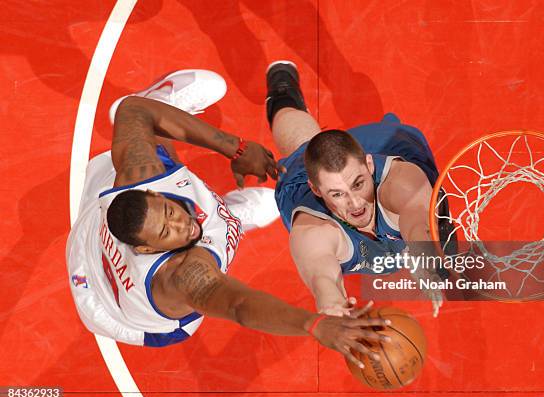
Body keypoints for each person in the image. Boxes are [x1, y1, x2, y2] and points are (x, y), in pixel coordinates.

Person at [67, 69, 390, 368]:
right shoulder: (183, 275)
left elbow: (132, 110)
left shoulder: (140, 179)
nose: (181, 223)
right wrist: (314, 324)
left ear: (154, 195)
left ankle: (165, 108)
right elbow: (238, 305)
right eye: (167, 232)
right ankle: (230, 217)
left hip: (96, 227)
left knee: (147, 150)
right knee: (205, 246)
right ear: (150, 250)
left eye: (170, 212)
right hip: (118, 311)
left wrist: (236, 148)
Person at [266, 61, 452, 318]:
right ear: (317, 191)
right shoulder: (313, 231)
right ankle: (283, 94)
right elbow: (323, 279)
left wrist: (424, 257)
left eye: (358, 185)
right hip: (315, 176)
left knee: (432, 223)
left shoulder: (402, 183)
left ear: (368, 164)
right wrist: (334, 308)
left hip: (387, 143)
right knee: (303, 147)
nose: (355, 203)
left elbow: (416, 220)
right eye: (337, 194)